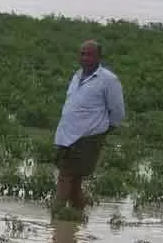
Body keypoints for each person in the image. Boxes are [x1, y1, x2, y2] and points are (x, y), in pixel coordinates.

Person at [52, 39, 126, 212]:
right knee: (75, 180)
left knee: (65, 175)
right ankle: (76, 219)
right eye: (82, 54)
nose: (85, 58)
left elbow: (117, 112)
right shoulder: (77, 75)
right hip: (66, 135)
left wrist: (101, 132)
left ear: (100, 57)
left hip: (88, 138)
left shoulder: (108, 80)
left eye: (90, 54)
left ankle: (56, 215)